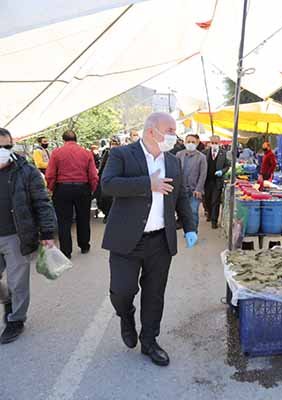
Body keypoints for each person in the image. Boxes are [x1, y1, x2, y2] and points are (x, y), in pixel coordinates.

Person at [101, 112, 197, 367]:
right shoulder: (122, 154)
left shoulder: (173, 161)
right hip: (127, 240)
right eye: (169, 130)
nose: (173, 136)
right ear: (152, 130)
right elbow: (107, 185)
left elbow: (182, 196)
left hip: (160, 241)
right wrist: (148, 183)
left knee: (155, 295)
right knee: (122, 291)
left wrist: (190, 226)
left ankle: (150, 341)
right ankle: (126, 315)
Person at [0, 128, 57, 344]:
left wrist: (48, 232)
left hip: (16, 235)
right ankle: (7, 300)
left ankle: (16, 320)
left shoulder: (26, 170)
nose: (3, 151)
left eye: (6, 147)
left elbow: (42, 202)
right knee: (9, 289)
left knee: (18, 283)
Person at [45, 130, 98, 259]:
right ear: (76, 139)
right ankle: (84, 245)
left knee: (64, 221)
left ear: (63, 140)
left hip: (62, 188)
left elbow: (50, 174)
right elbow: (93, 175)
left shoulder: (56, 153)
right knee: (83, 218)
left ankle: (66, 251)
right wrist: (91, 189)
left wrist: (51, 188)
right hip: (82, 188)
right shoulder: (86, 153)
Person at [176, 134, 207, 231]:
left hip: (194, 190)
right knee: (183, 211)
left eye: (193, 142)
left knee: (193, 211)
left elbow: (203, 174)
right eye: (188, 141)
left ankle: (193, 231)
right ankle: (187, 229)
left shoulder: (201, 157)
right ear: (185, 142)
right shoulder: (179, 155)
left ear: (197, 143)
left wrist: (198, 189)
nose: (190, 144)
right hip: (181, 190)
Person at [203, 136, 231, 229]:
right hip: (206, 180)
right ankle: (209, 214)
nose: (214, 144)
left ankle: (214, 221)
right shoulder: (205, 153)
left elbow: (227, 165)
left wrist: (222, 171)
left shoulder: (224, 153)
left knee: (215, 201)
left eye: (216, 143)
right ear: (209, 143)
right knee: (207, 199)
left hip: (217, 181)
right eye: (212, 142)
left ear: (219, 143)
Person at [96, 137, 121, 223]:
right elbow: (102, 165)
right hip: (107, 177)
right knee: (105, 198)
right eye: (112, 143)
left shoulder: (123, 152)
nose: (114, 145)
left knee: (116, 198)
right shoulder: (106, 153)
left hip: (119, 178)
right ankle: (107, 214)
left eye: (115, 143)